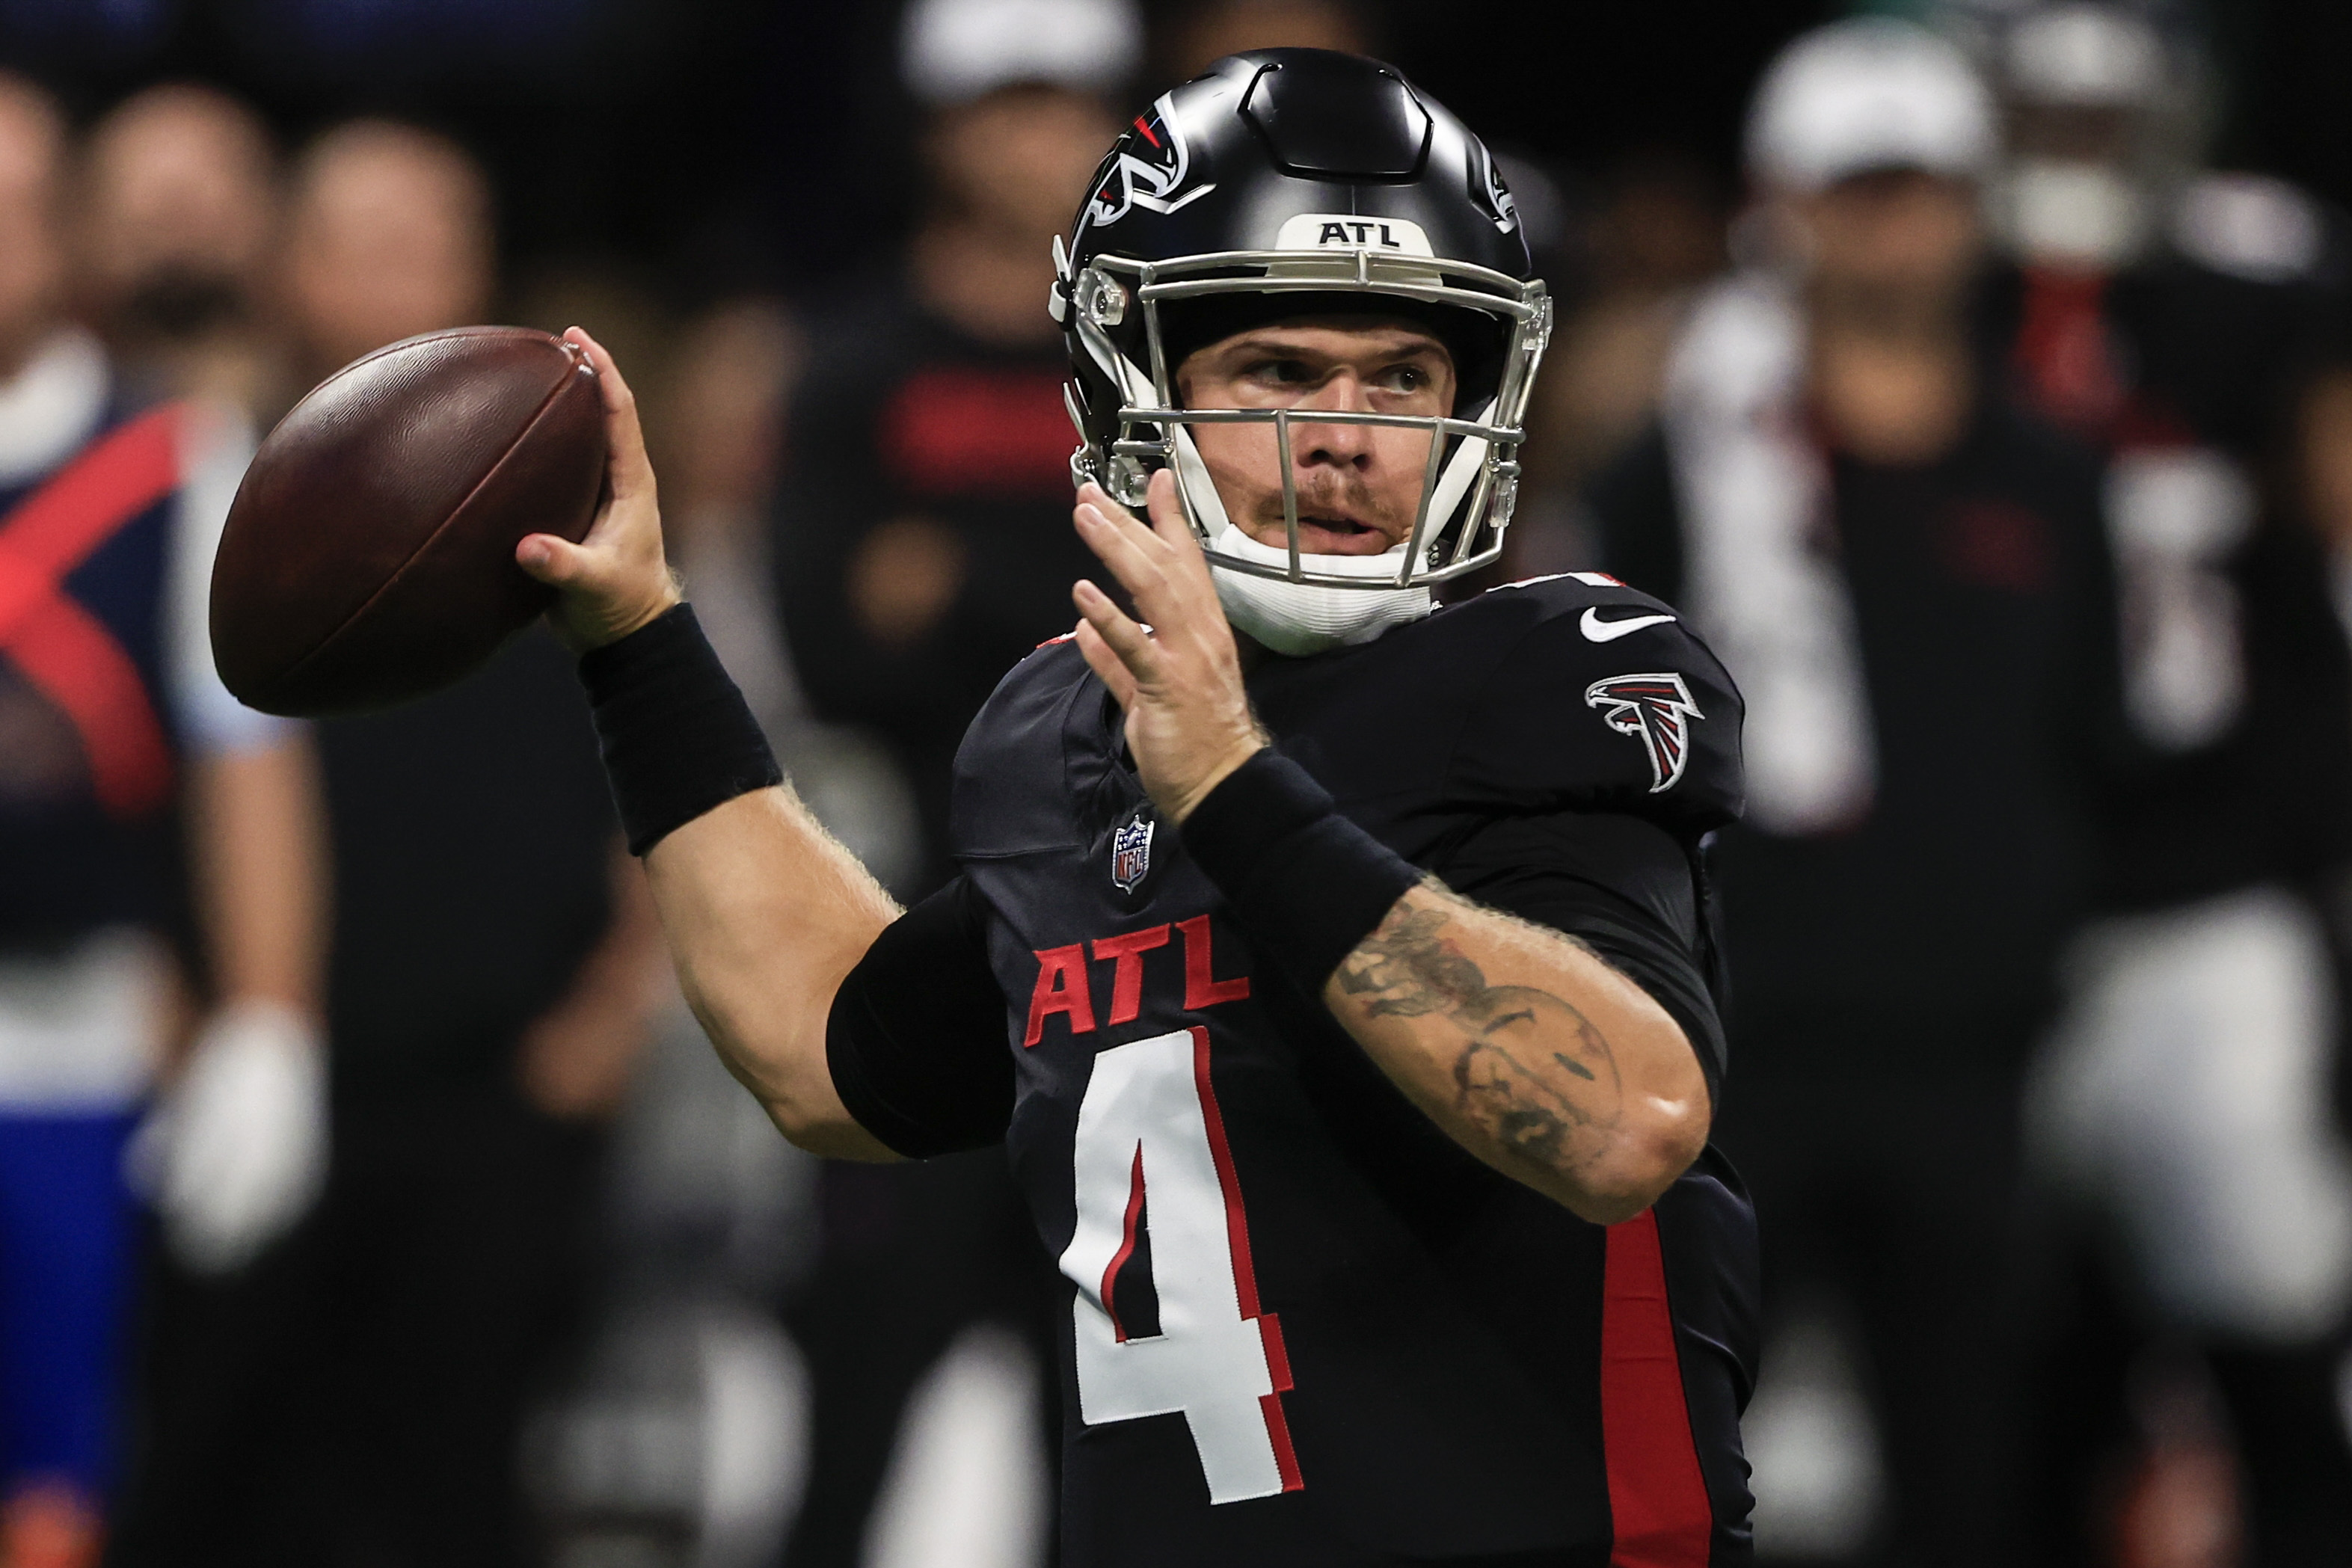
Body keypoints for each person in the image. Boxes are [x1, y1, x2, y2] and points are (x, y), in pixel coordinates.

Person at [521, 49, 1756, 1565]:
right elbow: (823, 1049)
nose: (1349, 434)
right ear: (1134, 383)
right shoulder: (1067, 728)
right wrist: (639, 636)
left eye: (1404, 376)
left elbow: (1624, 1115)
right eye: (1280, 372)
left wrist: (1233, 787)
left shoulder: (1549, 670)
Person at [1585, 20, 2126, 1564]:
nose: (1896, 224)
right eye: (1861, 189)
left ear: (1976, 206)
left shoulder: (2049, 475)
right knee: (1666, 1489)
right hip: (1729, 1067)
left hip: (1970, 1067)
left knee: (1970, 1487)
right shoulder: (1679, 457)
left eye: (1925, 188)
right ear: (1790, 205)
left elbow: (2084, 736)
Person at [111, 120, 666, 1568]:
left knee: (462, 1507)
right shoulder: (192, 496)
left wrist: (607, 1019)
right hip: (252, 1100)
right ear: (287, 269)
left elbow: (679, 759)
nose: (404, 274)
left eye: (434, 237)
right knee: (204, 1492)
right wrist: (166, 1016)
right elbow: (125, 786)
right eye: (364, 242)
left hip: (497, 1107)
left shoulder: (582, 517)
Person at [1980, 10, 2352, 1560]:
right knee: (2025, 1347)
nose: (2073, 148)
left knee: (2265, 1312)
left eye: (2098, 116)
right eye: (2045, 115)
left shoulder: (2260, 288)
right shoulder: (1932, 286)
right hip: (2000, 911)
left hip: (2214, 886)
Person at [0, 73, 328, 1567]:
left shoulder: (176, 457)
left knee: (66, 1479)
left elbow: (244, 757)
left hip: (77, 1044)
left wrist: (271, 1019)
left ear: (66, 236)